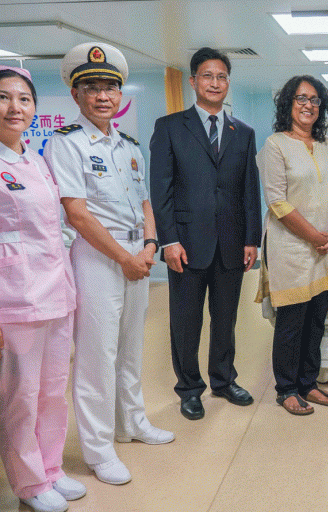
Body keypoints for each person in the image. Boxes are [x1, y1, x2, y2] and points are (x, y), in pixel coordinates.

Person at [44, 42, 174, 486]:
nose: (103, 96)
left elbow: (144, 201)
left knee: (130, 349)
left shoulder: (131, 146)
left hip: (138, 253)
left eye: (110, 88)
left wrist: (150, 247)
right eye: (92, 88)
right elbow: (76, 212)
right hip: (98, 257)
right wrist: (125, 258)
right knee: (97, 356)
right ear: (77, 96)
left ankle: (132, 424)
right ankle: (99, 451)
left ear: (120, 96)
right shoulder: (67, 144)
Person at [150, 48, 262, 421]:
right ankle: (189, 388)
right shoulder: (170, 127)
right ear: (193, 81)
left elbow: (250, 191)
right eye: (207, 76)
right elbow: (160, 189)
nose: (215, 83)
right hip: (185, 242)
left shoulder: (242, 133)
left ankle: (224, 379)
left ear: (228, 83)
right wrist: (168, 240)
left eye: (222, 77)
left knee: (225, 318)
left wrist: (252, 239)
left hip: (231, 243)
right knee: (186, 319)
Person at [0, 65, 86, 512]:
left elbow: (54, 225)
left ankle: (52, 468)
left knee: (54, 387)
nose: (15, 107)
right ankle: (29, 483)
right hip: (13, 300)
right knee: (22, 396)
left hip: (56, 290)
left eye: (24, 99)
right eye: (4, 97)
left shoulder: (34, 160)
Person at [255, 75, 328, 416]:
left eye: (314, 99)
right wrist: (315, 236)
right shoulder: (275, 146)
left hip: (325, 249)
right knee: (291, 323)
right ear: (288, 104)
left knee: (316, 321)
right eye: (300, 98)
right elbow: (277, 203)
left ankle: (309, 382)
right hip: (291, 250)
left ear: (320, 107)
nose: (308, 105)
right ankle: (287, 388)